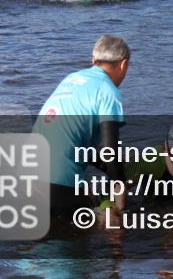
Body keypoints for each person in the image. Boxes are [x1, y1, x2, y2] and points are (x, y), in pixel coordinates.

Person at [33, 35, 131, 218]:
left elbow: (67, 138)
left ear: (93, 61)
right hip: (61, 184)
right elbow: (110, 150)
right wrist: (121, 185)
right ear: (124, 65)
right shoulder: (108, 90)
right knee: (105, 227)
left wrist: (85, 183)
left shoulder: (71, 79)